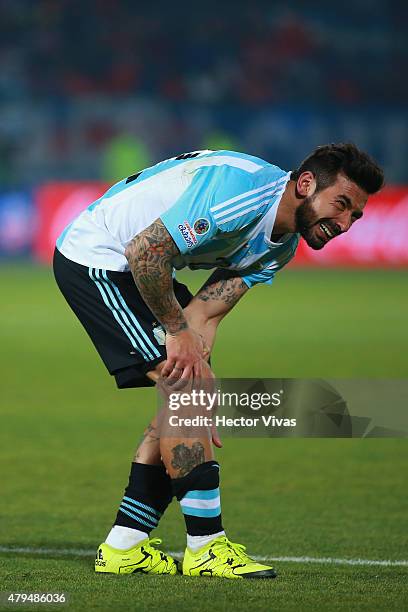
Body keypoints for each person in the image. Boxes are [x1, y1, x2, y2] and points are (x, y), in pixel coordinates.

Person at [53, 144, 383, 579]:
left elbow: (205, 315)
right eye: (341, 205)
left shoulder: (278, 248)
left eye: (354, 217)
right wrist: (181, 350)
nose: (344, 224)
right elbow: (145, 251)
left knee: (189, 391)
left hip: (140, 267)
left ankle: (125, 546)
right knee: (185, 389)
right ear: (305, 185)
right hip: (100, 258)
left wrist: (197, 390)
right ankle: (206, 547)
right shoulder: (240, 193)